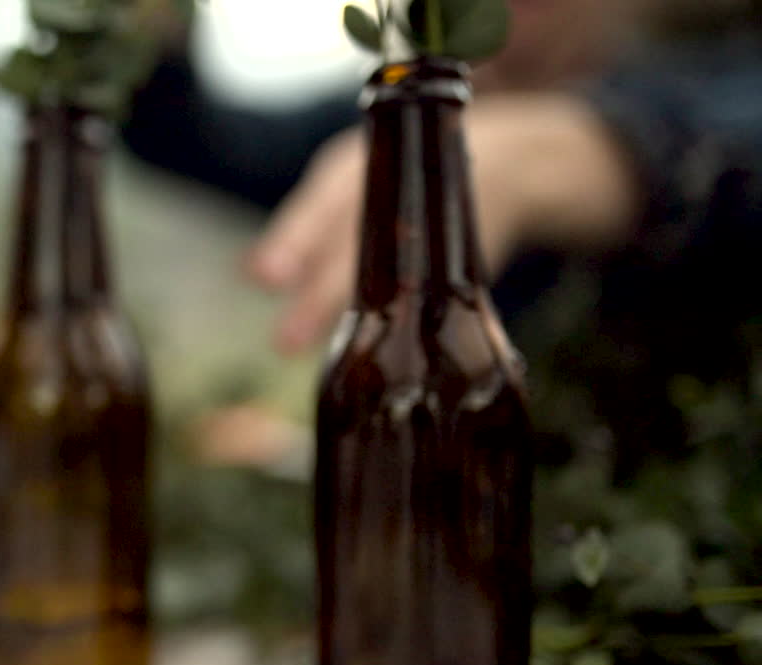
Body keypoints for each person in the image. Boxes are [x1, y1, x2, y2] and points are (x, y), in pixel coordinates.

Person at [123, 0, 762, 475]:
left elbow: (729, 142)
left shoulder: (709, 76)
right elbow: (199, 139)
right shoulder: (393, 122)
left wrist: (557, 152)